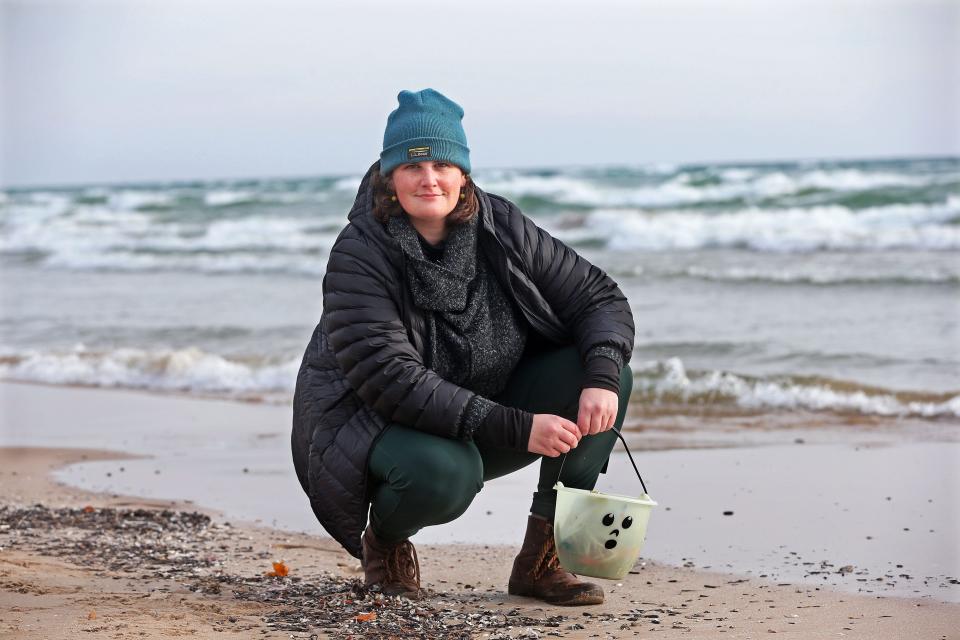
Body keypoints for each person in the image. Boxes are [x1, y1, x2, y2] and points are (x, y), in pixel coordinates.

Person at [291, 88, 635, 606]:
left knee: (607, 374)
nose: (430, 178)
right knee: (448, 475)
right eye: (412, 166)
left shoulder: (501, 226)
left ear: (463, 174)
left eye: (443, 164)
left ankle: (543, 562)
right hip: (379, 425)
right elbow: (390, 378)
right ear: (390, 177)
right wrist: (520, 427)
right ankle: (384, 543)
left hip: (484, 411)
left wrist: (603, 378)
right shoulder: (359, 254)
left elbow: (597, 296)